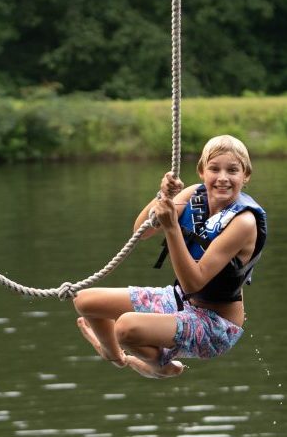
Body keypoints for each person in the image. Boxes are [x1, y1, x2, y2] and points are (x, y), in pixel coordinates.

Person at [73, 134, 267, 378]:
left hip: (215, 327)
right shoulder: (194, 195)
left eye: (232, 170)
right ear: (201, 172)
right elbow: (142, 231)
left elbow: (193, 283)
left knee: (124, 328)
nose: (222, 178)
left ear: (245, 175)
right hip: (180, 300)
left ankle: (160, 366)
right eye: (214, 169)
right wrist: (163, 196)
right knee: (84, 301)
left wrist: (172, 227)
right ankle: (115, 357)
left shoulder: (244, 222)